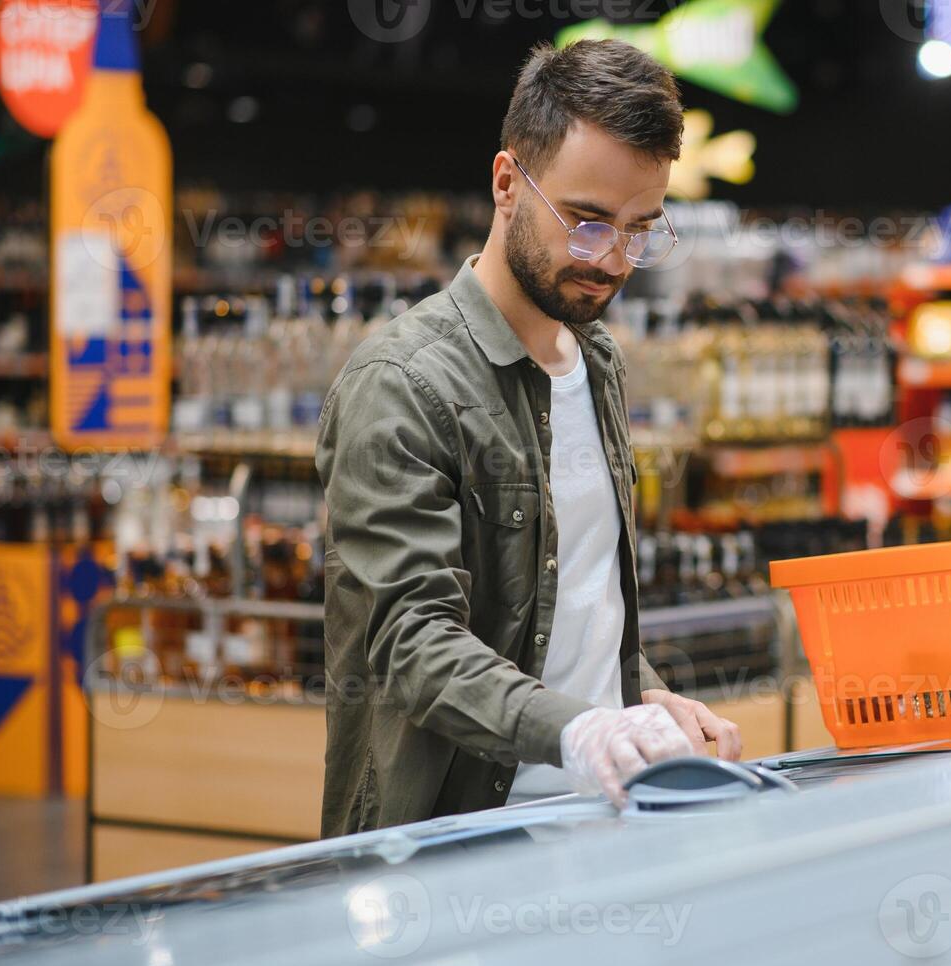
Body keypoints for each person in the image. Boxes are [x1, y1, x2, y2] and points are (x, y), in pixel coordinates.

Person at [316, 39, 741, 837]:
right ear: (507, 182)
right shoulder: (403, 384)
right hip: (449, 846)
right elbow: (410, 644)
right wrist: (578, 730)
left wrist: (637, 699)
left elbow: (568, 609)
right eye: (585, 223)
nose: (612, 259)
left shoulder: (597, 362)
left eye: (639, 229)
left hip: (603, 825)